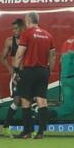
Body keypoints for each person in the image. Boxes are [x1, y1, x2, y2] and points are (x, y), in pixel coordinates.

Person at [12, 11, 56, 139]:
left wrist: (15, 69)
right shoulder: (48, 35)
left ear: (28, 20)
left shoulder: (26, 34)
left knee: (25, 99)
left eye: (26, 21)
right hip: (43, 71)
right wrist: (49, 71)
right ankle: (41, 132)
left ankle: (27, 131)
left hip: (29, 70)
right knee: (42, 100)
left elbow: (20, 53)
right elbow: (52, 55)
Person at [0, 18, 25, 137]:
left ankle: (28, 129)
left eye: (16, 29)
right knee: (17, 100)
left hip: (27, 74)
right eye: (13, 29)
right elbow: (2, 58)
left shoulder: (28, 40)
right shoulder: (9, 41)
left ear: (22, 29)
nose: (14, 31)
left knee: (28, 101)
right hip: (17, 74)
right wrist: (10, 70)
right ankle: (5, 127)